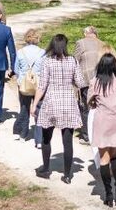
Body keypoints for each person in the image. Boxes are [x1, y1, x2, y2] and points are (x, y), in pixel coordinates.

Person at [33, 33, 87, 183]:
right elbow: (81, 82)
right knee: (67, 141)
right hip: (68, 103)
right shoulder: (72, 61)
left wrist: (34, 103)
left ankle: (45, 169)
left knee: (46, 138)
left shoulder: (47, 62)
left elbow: (42, 85)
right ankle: (68, 175)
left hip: (51, 102)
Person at [88, 53, 116, 207]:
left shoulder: (95, 82)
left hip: (102, 121)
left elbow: (90, 102)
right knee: (115, 156)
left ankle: (108, 194)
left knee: (103, 158)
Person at [13, 28, 45, 142]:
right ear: (38, 39)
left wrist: (21, 77)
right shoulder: (42, 52)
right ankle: (40, 138)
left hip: (24, 84)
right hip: (38, 84)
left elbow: (16, 69)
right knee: (39, 109)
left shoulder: (20, 52)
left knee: (24, 107)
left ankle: (22, 133)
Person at [73, 25, 103, 140]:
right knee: (99, 106)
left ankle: (86, 135)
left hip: (86, 79)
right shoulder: (102, 43)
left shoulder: (80, 43)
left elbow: (75, 60)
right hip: (101, 79)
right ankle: (98, 132)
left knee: (86, 107)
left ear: (86, 34)